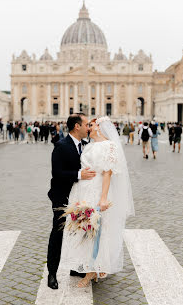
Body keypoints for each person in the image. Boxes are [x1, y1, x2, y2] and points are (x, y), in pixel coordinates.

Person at [60, 116, 134, 288]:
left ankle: (91, 270)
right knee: (84, 230)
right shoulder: (90, 145)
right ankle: (91, 266)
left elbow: (107, 173)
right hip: (82, 190)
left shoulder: (110, 146)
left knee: (95, 231)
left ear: (99, 128)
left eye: (90, 125)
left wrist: (103, 197)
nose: (88, 128)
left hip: (97, 191)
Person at [47, 113, 97, 289]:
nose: (88, 128)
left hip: (79, 197)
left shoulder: (85, 145)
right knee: (58, 233)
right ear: (77, 126)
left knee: (78, 231)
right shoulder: (61, 146)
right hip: (62, 196)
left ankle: (76, 268)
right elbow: (57, 173)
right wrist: (79, 175)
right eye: (86, 125)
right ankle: (52, 273)